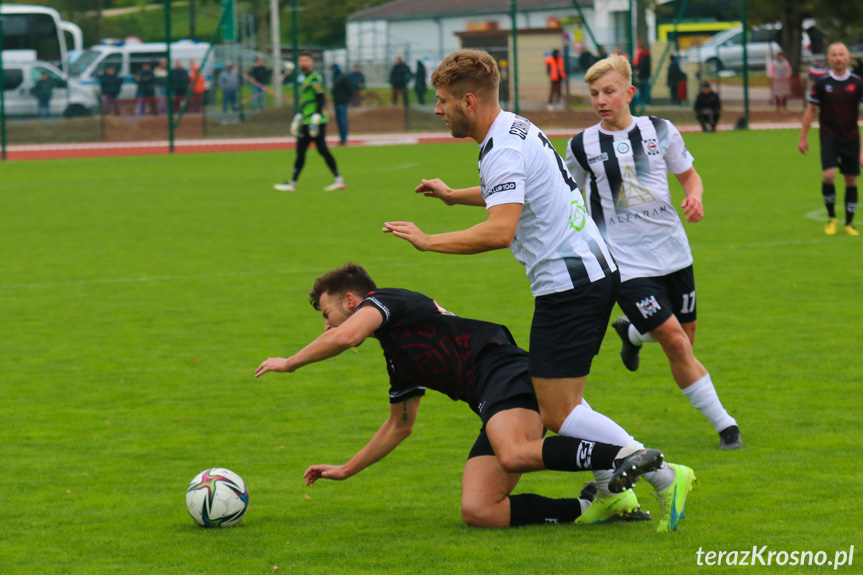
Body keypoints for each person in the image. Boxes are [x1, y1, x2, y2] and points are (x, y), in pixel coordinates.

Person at [382, 50, 696, 528]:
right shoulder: (513, 127)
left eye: (443, 101)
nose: (438, 110)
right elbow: (512, 190)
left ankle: (664, 473)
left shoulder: (503, 147)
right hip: (587, 275)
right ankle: (614, 491)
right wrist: (453, 196)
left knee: (558, 412)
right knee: (563, 400)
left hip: (570, 285)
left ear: (469, 100)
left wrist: (428, 242)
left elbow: (499, 230)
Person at [255, 263, 692, 531]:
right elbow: (399, 426)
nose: (326, 327)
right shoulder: (396, 355)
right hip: (490, 398)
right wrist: (346, 470)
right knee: (479, 510)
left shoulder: (385, 301)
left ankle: (625, 460)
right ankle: (593, 505)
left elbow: (347, 336)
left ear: (351, 300)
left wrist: (291, 362)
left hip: (504, 369)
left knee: (514, 453)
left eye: (327, 314)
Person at [564, 55, 742, 451]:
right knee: (676, 343)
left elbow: (689, 176)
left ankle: (631, 332)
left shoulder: (660, 130)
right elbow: (565, 195)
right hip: (624, 262)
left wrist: (694, 197)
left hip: (674, 252)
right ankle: (726, 427)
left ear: (629, 93)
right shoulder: (580, 146)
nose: (600, 100)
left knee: (686, 337)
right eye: (594, 93)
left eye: (609, 91)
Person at [799, 42, 863, 236]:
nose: (838, 58)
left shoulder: (858, 84)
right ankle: (832, 218)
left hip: (851, 138)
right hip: (828, 137)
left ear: (848, 58)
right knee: (828, 176)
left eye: (841, 54)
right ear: (829, 59)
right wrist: (803, 137)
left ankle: (849, 224)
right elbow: (811, 110)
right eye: (834, 55)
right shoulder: (821, 84)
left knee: (851, 180)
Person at [274, 51, 346, 193]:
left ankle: (293, 183)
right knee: (313, 150)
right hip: (307, 119)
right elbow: (307, 100)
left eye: (306, 60)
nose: (303, 63)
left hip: (314, 120)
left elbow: (320, 98)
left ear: (312, 62)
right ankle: (337, 179)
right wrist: (300, 115)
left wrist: (316, 116)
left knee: (311, 150)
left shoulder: (314, 78)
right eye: (301, 60)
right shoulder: (305, 78)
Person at [331, 64, 352, 146]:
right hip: (337, 102)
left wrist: (346, 99)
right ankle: (342, 138)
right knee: (339, 121)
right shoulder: (335, 77)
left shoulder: (342, 77)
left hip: (342, 102)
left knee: (342, 121)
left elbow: (349, 89)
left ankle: (344, 139)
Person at [634, 41, 652, 105]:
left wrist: (639, 71)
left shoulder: (646, 56)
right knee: (641, 91)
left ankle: (647, 103)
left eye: (639, 48)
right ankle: (642, 103)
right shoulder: (639, 57)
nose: (638, 49)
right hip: (641, 77)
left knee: (646, 90)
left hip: (645, 76)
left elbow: (645, 66)